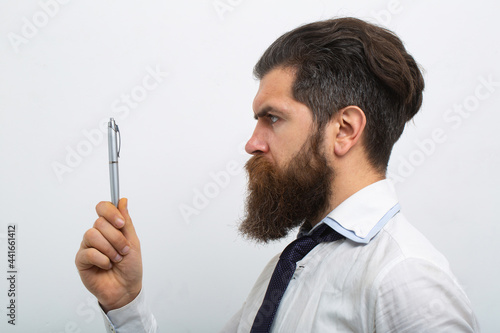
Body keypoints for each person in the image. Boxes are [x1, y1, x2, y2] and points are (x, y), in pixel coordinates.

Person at [75, 17, 479, 332]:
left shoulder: (405, 277)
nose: (252, 143)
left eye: (273, 118)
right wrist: (125, 302)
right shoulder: (293, 265)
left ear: (344, 130)